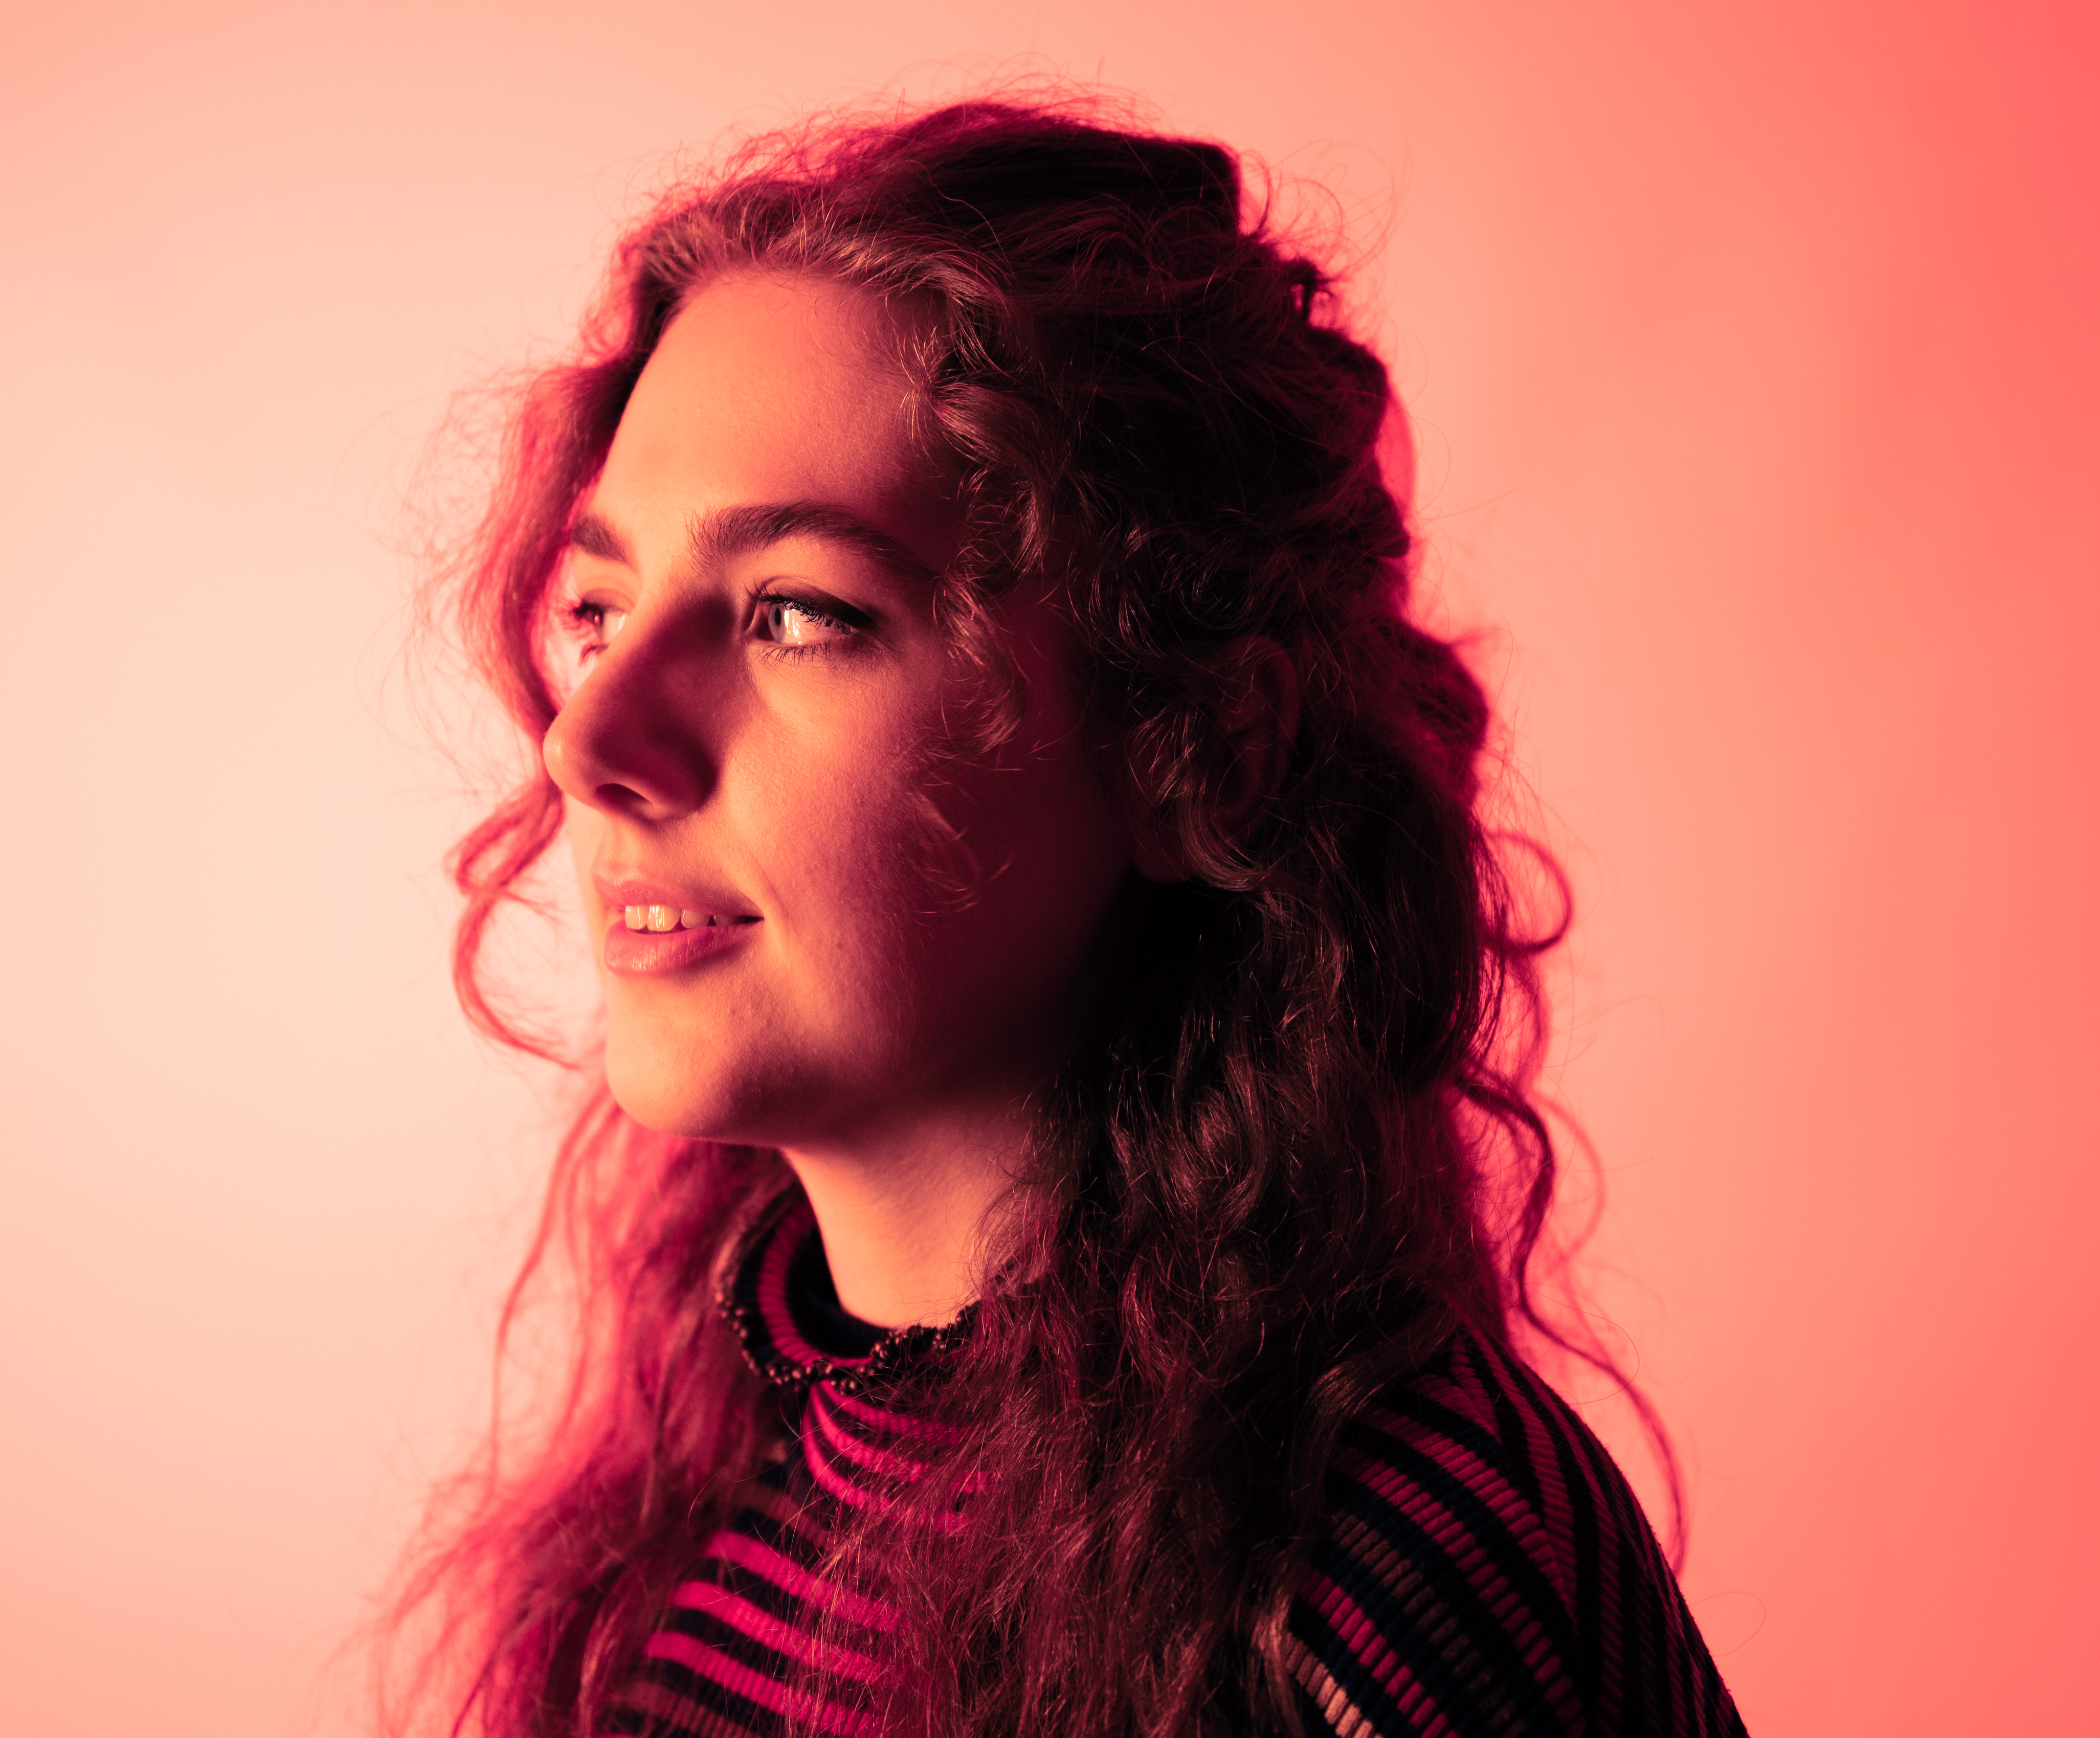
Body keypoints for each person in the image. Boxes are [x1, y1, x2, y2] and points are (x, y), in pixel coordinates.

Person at [385, 93, 1746, 1738]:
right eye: (599, 610)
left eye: (797, 613)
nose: (592, 741)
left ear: (1195, 750)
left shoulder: (1379, 1571)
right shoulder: (710, 1530)